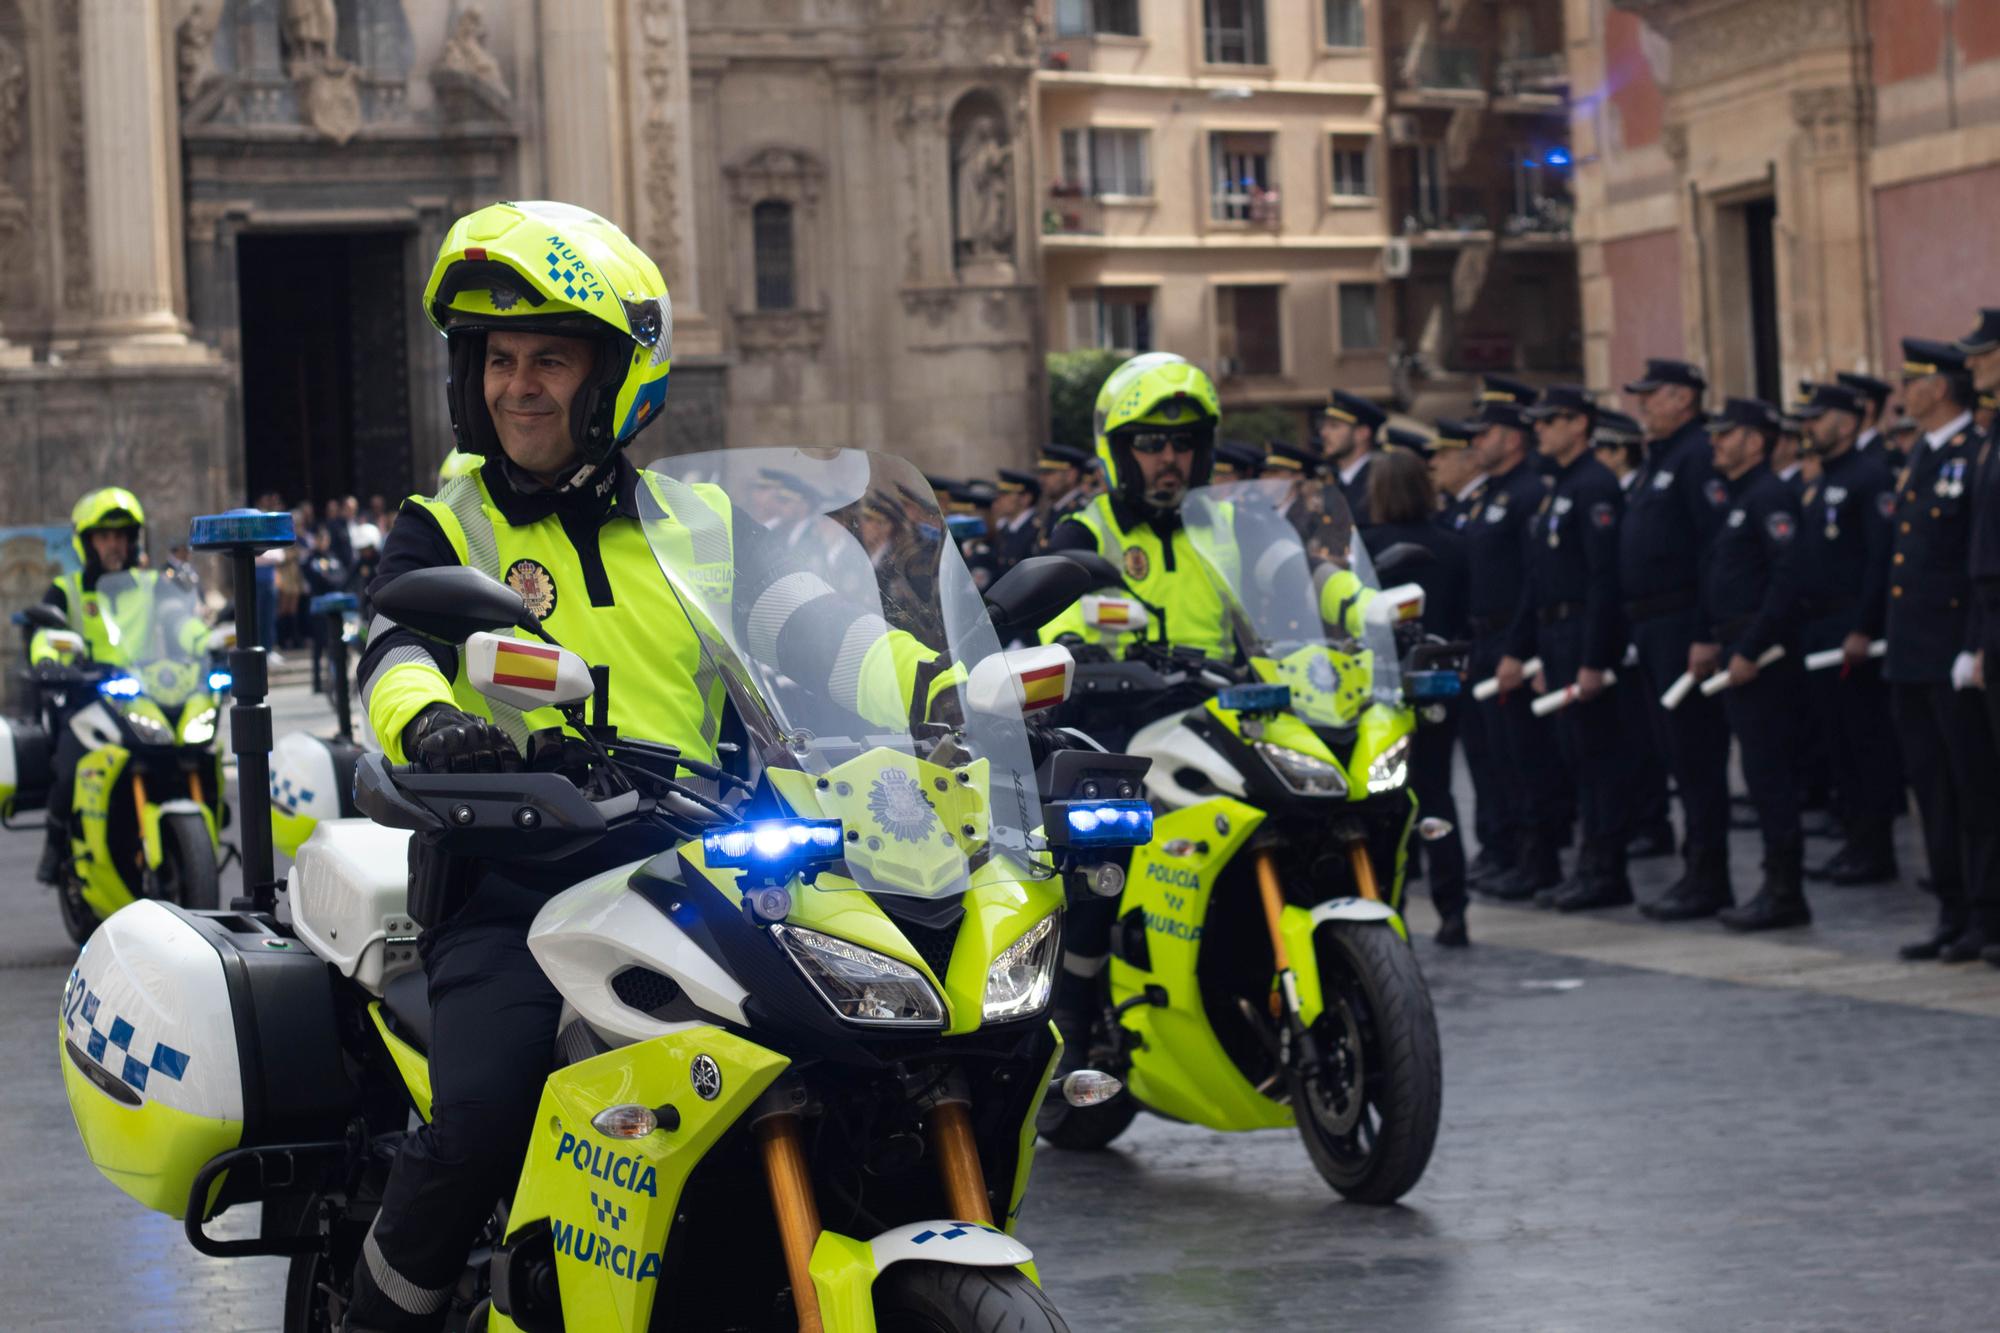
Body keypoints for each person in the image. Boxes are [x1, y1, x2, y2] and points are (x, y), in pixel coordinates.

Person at [344, 201, 943, 1332]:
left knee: (879, 1048)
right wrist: (432, 729)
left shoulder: (700, 521)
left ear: (615, 377)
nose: (517, 386)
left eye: (550, 360)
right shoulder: (446, 525)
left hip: (714, 874)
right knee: (481, 1112)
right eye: (498, 360)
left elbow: (815, 626)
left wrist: (933, 688)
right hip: (519, 887)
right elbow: (396, 652)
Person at [1881, 338, 2000, 964]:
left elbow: (1971, 562)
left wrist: (1972, 645)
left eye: (1914, 378)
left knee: (1973, 789)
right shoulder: (1922, 456)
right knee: (1932, 790)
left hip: (1955, 652)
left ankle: (1986, 912)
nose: (1905, 387)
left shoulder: (1973, 452)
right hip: (1913, 651)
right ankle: (1951, 909)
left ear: (1942, 387)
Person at [1497, 386, 1632, 911]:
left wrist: (1594, 659)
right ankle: (1587, 865)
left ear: (1579, 424)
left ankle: (1605, 870)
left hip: (1581, 633)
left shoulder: (1595, 485)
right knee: (1574, 757)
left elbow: (1603, 581)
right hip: (1555, 636)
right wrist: (1525, 649)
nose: (1541, 431)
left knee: (1597, 759)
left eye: (1551, 421)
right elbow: (1538, 577)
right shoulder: (1560, 486)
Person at [29, 489, 207, 885]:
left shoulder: (153, 584)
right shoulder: (67, 588)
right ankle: (56, 843)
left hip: (147, 693)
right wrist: (47, 659)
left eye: (121, 535)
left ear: (132, 540)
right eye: (104, 536)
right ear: (88, 541)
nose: (114, 544)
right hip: (89, 694)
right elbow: (47, 633)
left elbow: (181, 620)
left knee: (196, 747)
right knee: (70, 766)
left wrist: (206, 640)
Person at [1619, 358, 1736, 923]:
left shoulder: (1695, 456)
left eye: (1653, 395)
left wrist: (1704, 633)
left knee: (1696, 759)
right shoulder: (1661, 458)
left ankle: (1708, 876)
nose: (1643, 404)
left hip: (1680, 624)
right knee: (1675, 756)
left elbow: (1711, 552)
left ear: (1684, 399)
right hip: (1651, 627)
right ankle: (1698, 871)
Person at [1700, 398, 1810, 929]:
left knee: (1771, 777)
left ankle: (1785, 890)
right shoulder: (1741, 497)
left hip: (1763, 658)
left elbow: (1789, 579)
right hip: (1740, 652)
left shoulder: (1770, 496)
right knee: (1760, 772)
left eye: (1729, 434)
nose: (1717, 442)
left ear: (1757, 441)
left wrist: (1749, 647)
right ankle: (1776, 886)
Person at [1792, 382, 1902, 886]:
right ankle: (1854, 839)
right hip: (1819, 628)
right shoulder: (1826, 478)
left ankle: (1873, 847)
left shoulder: (1868, 475)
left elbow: (1879, 560)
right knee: (1837, 742)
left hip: (1850, 628)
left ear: (1849, 421)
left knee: (1864, 742)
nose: (1809, 427)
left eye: (1819, 417)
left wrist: (1863, 626)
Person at [1361, 449, 1472, 946]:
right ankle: (1454, 908)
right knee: (1436, 794)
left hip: (1379, 688)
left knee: (1385, 799)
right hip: (1437, 683)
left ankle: (1391, 904)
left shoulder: (1361, 547)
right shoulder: (1452, 543)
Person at [1467, 394, 1572, 900]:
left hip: (1517, 637)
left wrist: (1522, 647)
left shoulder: (1529, 492)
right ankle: (1514, 851)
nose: (1474, 443)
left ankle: (1540, 858)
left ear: (1511, 438)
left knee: (1529, 757)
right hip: (1488, 637)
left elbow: (1535, 577)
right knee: (1500, 757)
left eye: (1483, 434)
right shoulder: (1492, 492)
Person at [1591, 409, 1675, 862]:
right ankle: (1639, 817)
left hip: (1640, 633)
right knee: (1626, 737)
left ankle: (1652, 820)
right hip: (1625, 636)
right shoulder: (1629, 492)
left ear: (1620, 452)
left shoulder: (1634, 491)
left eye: (1602, 450)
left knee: (1644, 740)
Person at [1319, 389, 1386, 525]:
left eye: (1334, 426)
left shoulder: (1379, 482)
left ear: (1362, 433)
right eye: (1324, 426)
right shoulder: (1336, 482)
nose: (1324, 433)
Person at [991, 467, 1043, 578]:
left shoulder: (1037, 530)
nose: (998, 499)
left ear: (1025, 498)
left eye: (1005, 494)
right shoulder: (1004, 529)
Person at [1837, 372, 1894, 455]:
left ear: (1869, 406)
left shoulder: (1885, 455)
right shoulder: (1847, 449)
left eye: (1849, 405)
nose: (1842, 412)